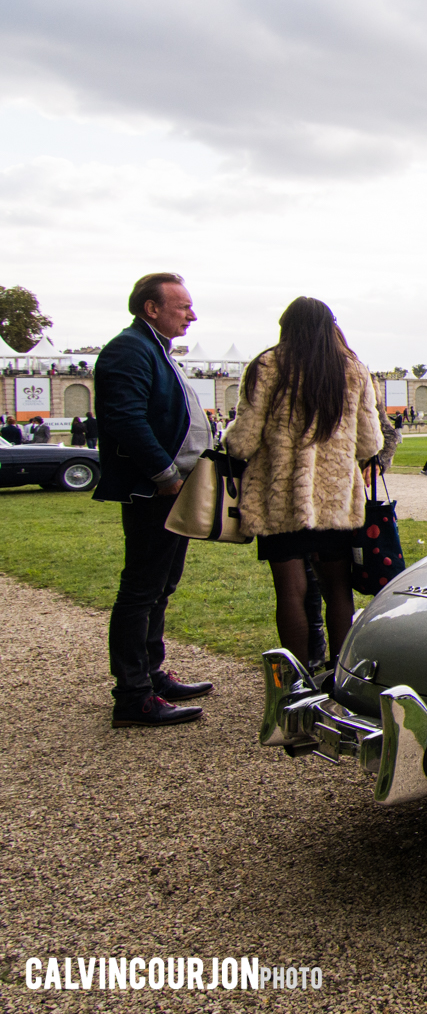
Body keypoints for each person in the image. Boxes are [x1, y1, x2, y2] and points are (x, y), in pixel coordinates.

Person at [226, 298, 386, 678]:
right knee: (337, 587)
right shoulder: (353, 369)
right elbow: (369, 443)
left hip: (279, 494)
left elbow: (243, 440)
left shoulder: (266, 365)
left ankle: (294, 681)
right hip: (334, 497)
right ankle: (343, 672)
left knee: (290, 591)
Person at [93, 272, 215, 727]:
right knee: (141, 589)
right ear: (151, 308)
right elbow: (124, 417)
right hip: (156, 489)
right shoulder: (130, 349)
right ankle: (133, 696)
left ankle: (149, 672)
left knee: (160, 585)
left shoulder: (153, 349)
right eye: (183, 306)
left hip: (172, 487)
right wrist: (164, 474)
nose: (192, 314)